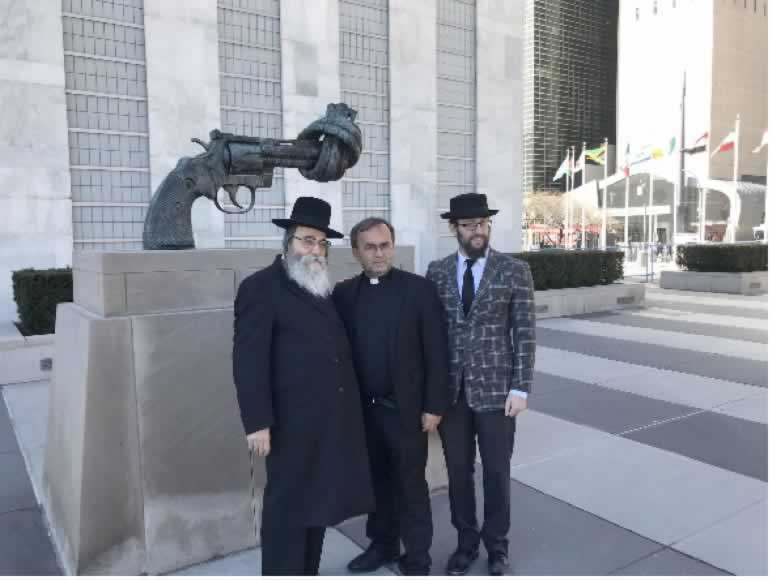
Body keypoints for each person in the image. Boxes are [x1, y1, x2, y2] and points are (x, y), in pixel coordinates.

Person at [232, 196, 374, 576]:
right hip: (288, 425)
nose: (314, 249)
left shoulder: (319, 285)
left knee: (318, 506)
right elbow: (248, 361)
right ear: (288, 242)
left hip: (327, 423)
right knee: (287, 510)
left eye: (321, 243)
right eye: (306, 240)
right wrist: (257, 421)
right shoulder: (260, 288)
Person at [426, 193, 536, 576]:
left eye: (483, 224)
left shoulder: (514, 270)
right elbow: (431, 337)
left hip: (497, 394)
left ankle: (497, 546)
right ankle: (466, 543)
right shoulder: (437, 272)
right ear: (454, 228)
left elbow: (524, 333)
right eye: (469, 225)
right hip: (452, 396)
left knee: (496, 472)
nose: (478, 231)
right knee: (458, 472)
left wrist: (520, 387)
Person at [333, 217, 449, 576]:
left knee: (411, 488)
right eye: (370, 247)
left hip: (406, 411)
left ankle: (417, 558)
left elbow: (437, 352)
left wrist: (434, 405)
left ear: (393, 247)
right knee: (376, 485)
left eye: (384, 245)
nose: (379, 253)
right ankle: (382, 546)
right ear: (356, 252)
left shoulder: (418, 290)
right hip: (364, 414)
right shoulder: (344, 294)